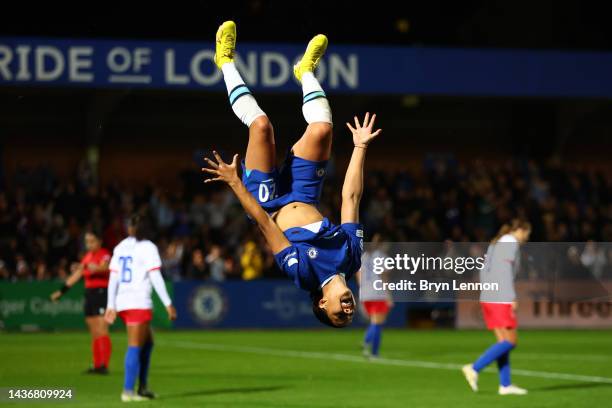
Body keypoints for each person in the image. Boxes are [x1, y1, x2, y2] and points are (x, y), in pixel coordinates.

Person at [202, 21, 381, 327]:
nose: (348, 311)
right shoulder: (352, 257)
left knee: (261, 126)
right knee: (323, 129)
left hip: (268, 201)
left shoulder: (302, 274)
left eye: (339, 315)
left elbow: (264, 224)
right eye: (349, 316)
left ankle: (225, 62)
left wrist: (235, 183)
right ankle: (305, 72)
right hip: (304, 192)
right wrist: (360, 147)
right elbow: (350, 197)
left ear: (322, 303)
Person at [104, 215, 177, 402]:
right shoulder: (148, 247)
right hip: (138, 301)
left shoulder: (120, 247)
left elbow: (113, 277)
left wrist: (111, 305)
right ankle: (128, 391)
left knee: (148, 342)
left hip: (123, 302)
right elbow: (155, 277)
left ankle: (142, 387)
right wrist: (168, 303)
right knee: (135, 346)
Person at [462, 219, 531, 395]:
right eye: (527, 234)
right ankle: (474, 368)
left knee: (503, 342)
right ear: (521, 230)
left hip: (490, 295)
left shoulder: (497, 243)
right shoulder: (510, 242)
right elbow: (504, 272)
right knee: (511, 341)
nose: (526, 238)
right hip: (500, 296)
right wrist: (510, 296)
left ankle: (505, 385)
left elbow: (484, 270)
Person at [50, 230, 112, 374]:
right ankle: (97, 365)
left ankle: (104, 365)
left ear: (99, 241)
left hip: (101, 293)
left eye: (92, 241)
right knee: (94, 331)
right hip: (90, 294)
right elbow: (77, 275)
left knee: (102, 329)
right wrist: (61, 292)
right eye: (87, 241)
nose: (88, 244)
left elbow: (105, 267)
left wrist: (88, 267)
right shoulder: (88, 257)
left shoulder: (104, 254)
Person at [356, 233, 393, 359]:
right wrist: (388, 295)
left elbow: (358, 275)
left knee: (374, 322)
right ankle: (373, 351)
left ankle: (367, 342)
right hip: (378, 293)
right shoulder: (383, 257)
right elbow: (384, 277)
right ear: (383, 244)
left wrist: (362, 289)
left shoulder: (364, 256)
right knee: (378, 323)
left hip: (365, 293)